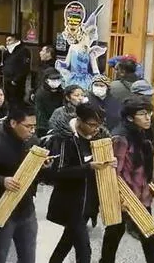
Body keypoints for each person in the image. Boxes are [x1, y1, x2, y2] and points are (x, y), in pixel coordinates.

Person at [0, 104, 45, 263]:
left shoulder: (33, 141)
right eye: (28, 126)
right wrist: (1, 181)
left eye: (34, 126)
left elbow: (40, 175)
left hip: (26, 210)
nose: (32, 131)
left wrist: (42, 166)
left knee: (28, 257)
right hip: (1, 211)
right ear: (13, 123)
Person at [46, 102, 113, 263]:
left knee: (66, 243)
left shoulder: (100, 137)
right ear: (80, 120)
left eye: (99, 125)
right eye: (92, 125)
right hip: (70, 204)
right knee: (84, 250)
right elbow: (58, 172)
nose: (96, 128)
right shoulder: (64, 139)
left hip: (88, 203)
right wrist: (88, 167)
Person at [100, 97, 154, 263]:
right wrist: (118, 198)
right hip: (126, 197)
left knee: (149, 236)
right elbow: (113, 171)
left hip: (142, 195)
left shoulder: (143, 132)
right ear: (130, 117)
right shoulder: (121, 138)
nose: (148, 117)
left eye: (150, 113)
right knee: (114, 234)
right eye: (143, 114)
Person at [0, 35, 31, 106]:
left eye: (9, 40)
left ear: (16, 41)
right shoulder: (7, 51)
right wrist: (0, 52)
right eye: (6, 41)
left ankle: (17, 116)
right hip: (7, 79)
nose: (7, 43)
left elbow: (24, 67)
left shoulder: (23, 50)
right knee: (8, 100)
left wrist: (16, 80)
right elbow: (2, 62)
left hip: (16, 82)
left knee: (16, 101)